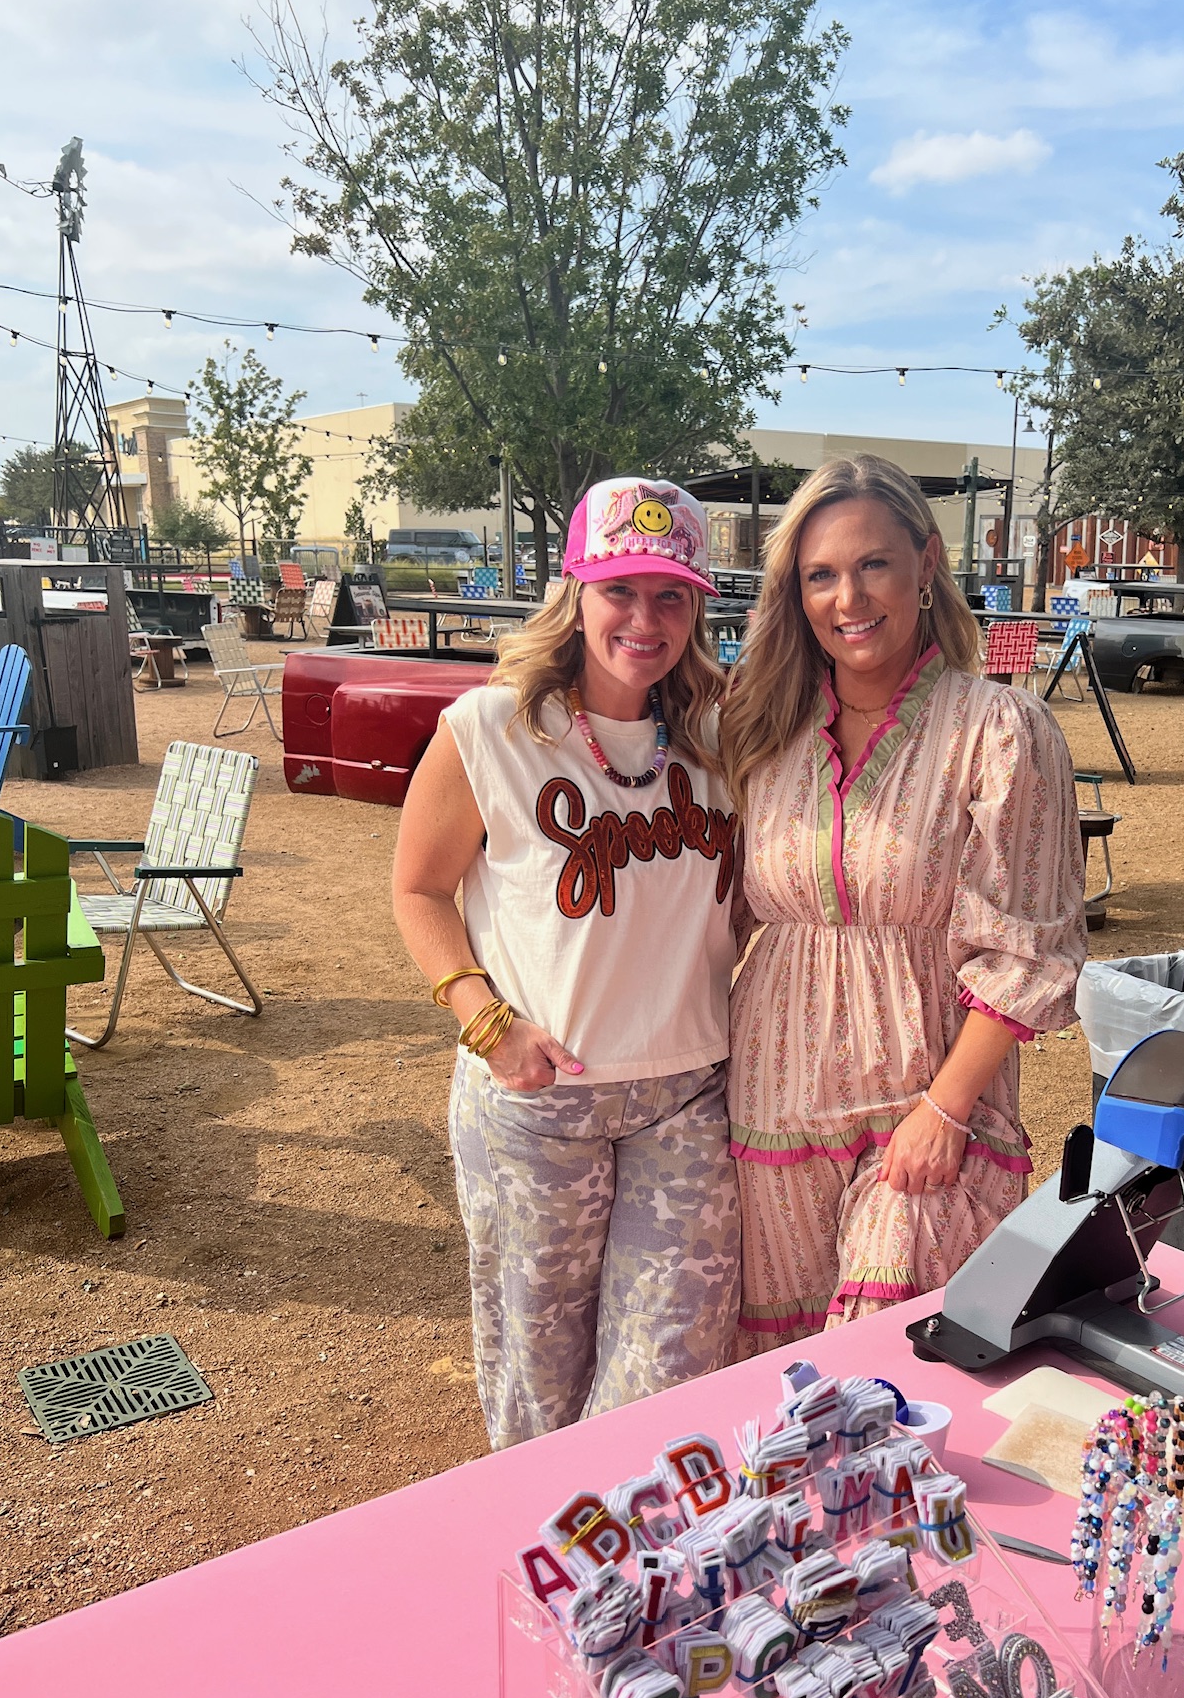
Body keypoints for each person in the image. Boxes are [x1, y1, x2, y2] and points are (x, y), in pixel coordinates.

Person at [393, 477, 741, 1448]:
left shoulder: (723, 737)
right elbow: (419, 889)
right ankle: (545, 1567)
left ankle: (631, 1558)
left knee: (675, 1360)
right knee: (538, 1375)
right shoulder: (490, 730)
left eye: (671, 594)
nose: (645, 617)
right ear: (574, 589)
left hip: (686, 1091)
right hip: (540, 1097)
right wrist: (487, 1024)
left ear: (699, 604)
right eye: (619, 587)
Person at [719, 454, 1087, 1346]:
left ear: (927, 564)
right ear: (795, 595)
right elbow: (722, 912)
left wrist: (946, 1108)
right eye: (821, 575)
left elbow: (1030, 948)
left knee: (888, 1357)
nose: (850, 597)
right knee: (782, 1364)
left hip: (925, 1101)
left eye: (873, 564)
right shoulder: (761, 731)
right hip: (775, 1096)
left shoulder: (1001, 729)